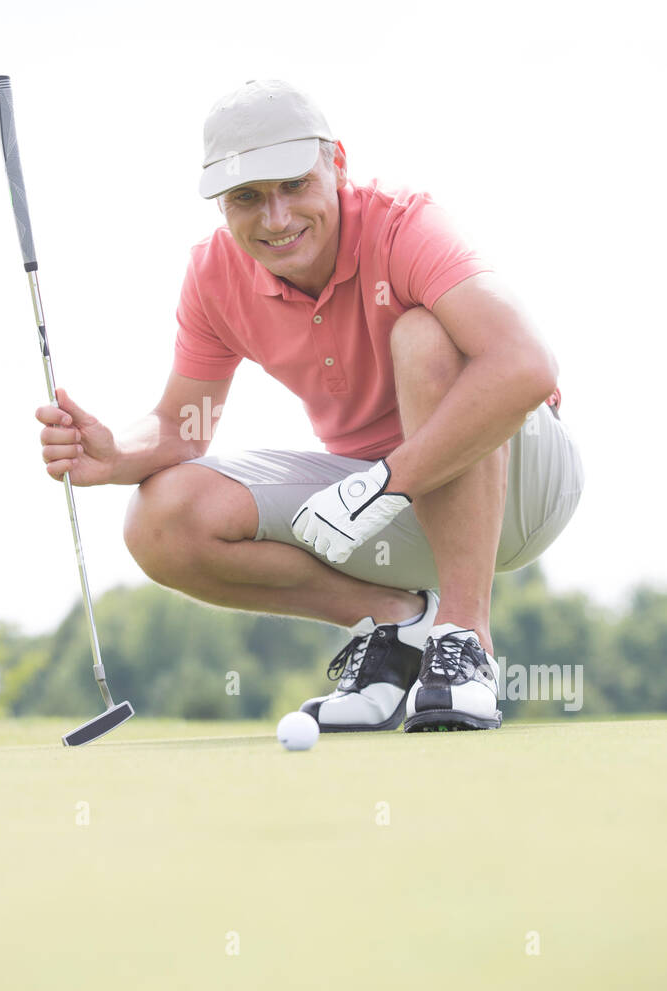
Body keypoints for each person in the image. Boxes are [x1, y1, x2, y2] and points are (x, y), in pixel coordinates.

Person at [35, 79, 584, 732]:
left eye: (294, 185)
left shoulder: (405, 226)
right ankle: (398, 623)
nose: (276, 218)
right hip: (380, 509)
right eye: (247, 198)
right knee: (161, 516)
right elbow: (188, 426)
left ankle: (463, 642)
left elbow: (525, 365)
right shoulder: (215, 276)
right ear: (221, 205)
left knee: (424, 335)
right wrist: (117, 452)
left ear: (337, 164)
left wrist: (387, 482)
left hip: (522, 483)